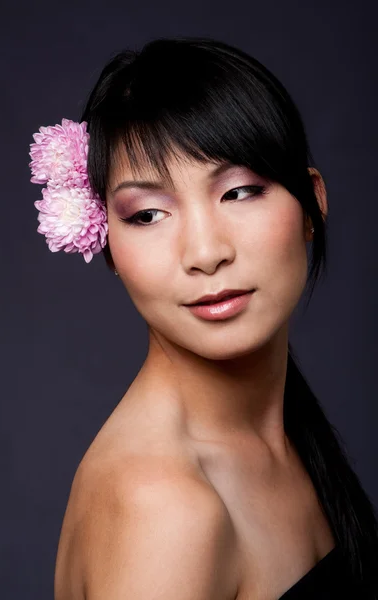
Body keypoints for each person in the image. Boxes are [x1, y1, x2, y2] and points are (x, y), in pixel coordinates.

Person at [30, 37, 378, 599]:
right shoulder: (165, 509)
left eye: (239, 192)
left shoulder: (284, 436)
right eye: (147, 214)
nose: (205, 251)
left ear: (312, 203)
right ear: (108, 244)